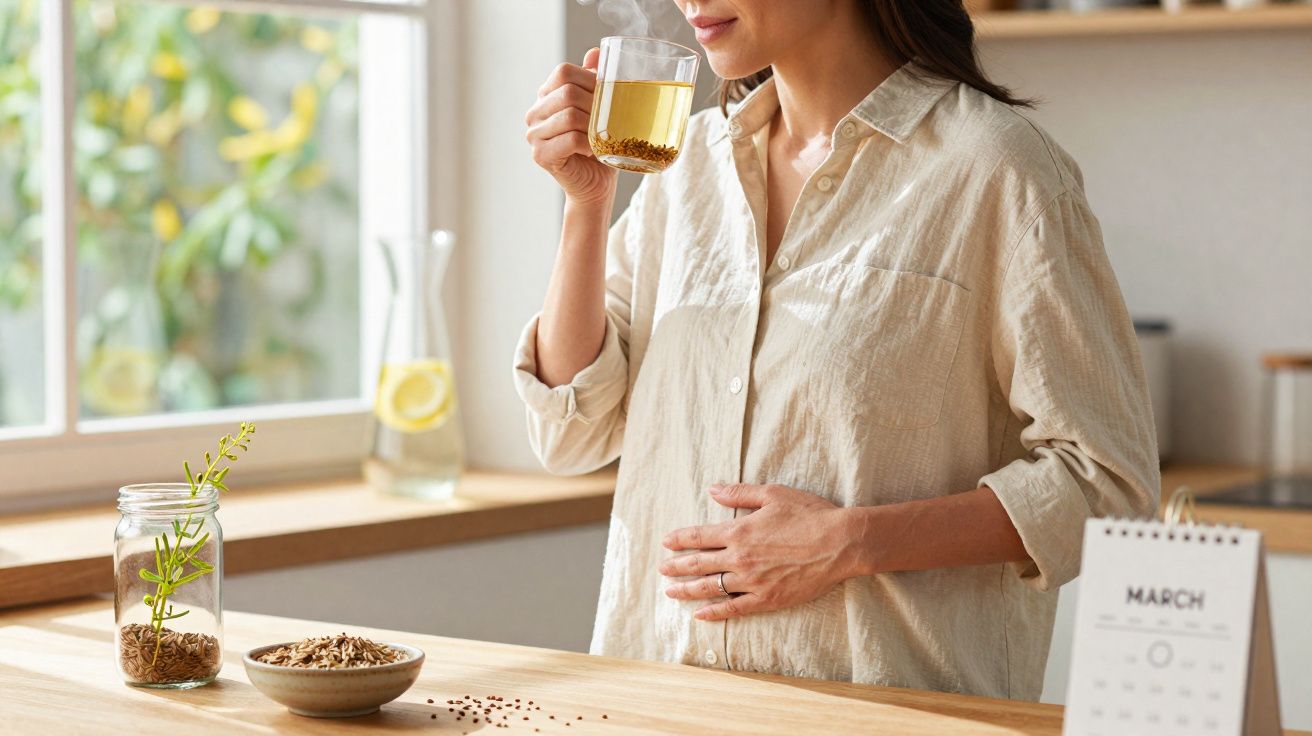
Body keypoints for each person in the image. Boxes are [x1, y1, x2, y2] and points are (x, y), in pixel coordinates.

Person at [515, 0, 1159, 700]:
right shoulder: (687, 166)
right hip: (660, 704)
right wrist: (587, 204)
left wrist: (852, 542)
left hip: (890, 711)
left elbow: (1107, 482)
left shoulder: (994, 169)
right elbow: (570, 434)